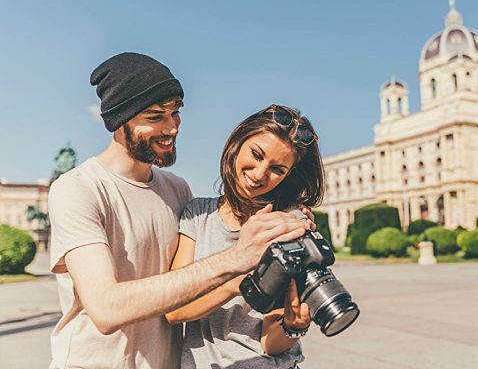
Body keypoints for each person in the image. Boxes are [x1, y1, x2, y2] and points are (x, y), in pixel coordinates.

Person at [48, 53, 310, 369]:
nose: (172, 128)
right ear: (120, 119)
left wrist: (287, 213)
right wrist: (237, 260)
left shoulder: (177, 190)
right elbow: (105, 309)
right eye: (155, 116)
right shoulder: (78, 188)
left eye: (175, 114)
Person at [166, 104, 325, 369]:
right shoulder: (198, 214)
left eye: (278, 169)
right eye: (257, 154)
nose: (260, 174)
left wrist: (292, 326)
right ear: (238, 142)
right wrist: (241, 283)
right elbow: (174, 309)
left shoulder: (286, 226)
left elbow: (268, 341)